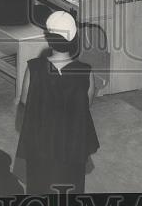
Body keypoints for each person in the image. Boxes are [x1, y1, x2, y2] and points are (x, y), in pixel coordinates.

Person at [15, 11, 99, 194]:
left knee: (39, 185)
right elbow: (86, 106)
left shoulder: (34, 67)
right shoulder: (86, 72)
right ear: (75, 38)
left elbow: (24, 102)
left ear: (48, 38)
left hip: (41, 142)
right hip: (72, 144)